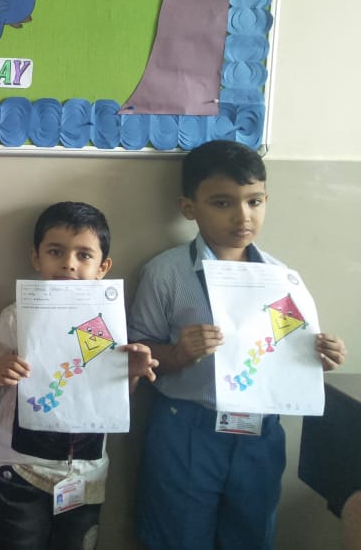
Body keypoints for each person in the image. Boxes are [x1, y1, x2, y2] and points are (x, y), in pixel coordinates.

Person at [128, 140, 348, 549]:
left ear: (266, 201)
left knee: (251, 535)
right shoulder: (166, 273)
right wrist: (176, 354)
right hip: (187, 428)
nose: (243, 216)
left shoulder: (282, 278)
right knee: (179, 536)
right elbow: (136, 352)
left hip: (259, 432)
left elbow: (288, 348)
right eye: (222, 202)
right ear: (189, 207)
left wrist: (320, 355)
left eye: (254, 201)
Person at [0, 202, 157, 550]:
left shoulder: (109, 322)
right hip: (21, 467)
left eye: (84, 255)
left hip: (85, 472)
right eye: (56, 252)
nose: (69, 264)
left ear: (103, 267)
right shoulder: (17, 315)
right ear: (36, 258)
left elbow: (113, 396)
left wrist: (133, 373)